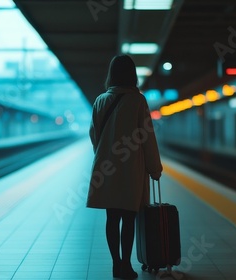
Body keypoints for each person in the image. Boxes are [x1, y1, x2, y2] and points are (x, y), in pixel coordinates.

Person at [86, 55, 162, 279]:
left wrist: (103, 154)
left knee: (112, 218)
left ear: (111, 74)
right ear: (132, 75)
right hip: (131, 171)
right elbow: (147, 136)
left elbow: (93, 134)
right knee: (129, 217)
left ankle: (116, 263)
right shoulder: (138, 101)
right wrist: (154, 168)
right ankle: (126, 266)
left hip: (107, 167)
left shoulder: (100, 101)